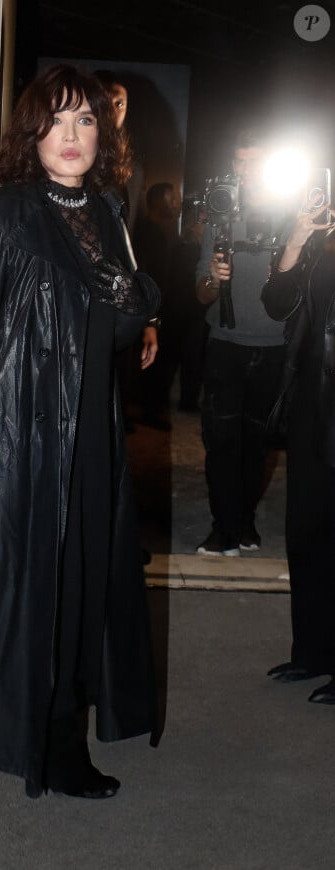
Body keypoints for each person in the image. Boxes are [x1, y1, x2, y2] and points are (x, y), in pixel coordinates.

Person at [0, 63, 161, 800]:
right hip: (18, 436)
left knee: (81, 589)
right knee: (22, 592)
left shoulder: (107, 210)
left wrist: (136, 305)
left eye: (86, 121)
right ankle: (32, 735)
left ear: (102, 133)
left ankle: (63, 735)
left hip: (93, 435)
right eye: (56, 120)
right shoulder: (6, 211)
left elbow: (110, 330)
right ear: (31, 131)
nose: (71, 136)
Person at [195, 128, 288, 556]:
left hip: (274, 344)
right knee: (220, 441)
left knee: (256, 443)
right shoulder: (221, 212)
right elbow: (200, 294)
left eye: (253, 162)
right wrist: (214, 278)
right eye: (238, 161)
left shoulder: (290, 215)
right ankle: (222, 527)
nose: (244, 170)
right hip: (225, 342)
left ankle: (245, 521)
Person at [261, 191, 335, 705]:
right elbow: (276, 303)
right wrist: (295, 241)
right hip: (314, 400)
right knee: (306, 529)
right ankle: (312, 649)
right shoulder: (318, 240)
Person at [94, 69, 158, 431]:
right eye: (107, 100)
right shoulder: (71, 159)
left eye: (121, 102)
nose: (114, 109)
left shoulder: (132, 169)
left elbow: (134, 243)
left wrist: (148, 318)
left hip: (117, 304)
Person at [134, 181, 181, 430]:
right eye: (172, 198)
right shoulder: (148, 233)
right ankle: (148, 411)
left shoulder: (162, 232)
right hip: (151, 310)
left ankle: (152, 409)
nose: (177, 204)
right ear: (158, 201)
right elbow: (146, 275)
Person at [166, 199, 209, 412]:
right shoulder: (184, 249)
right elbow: (178, 282)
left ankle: (189, 399)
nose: (206, 223)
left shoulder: (205, 249)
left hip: (197, 311)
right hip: (181, 310)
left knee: (194, 358)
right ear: (192, 223)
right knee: (180, 356)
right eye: (202, 219)